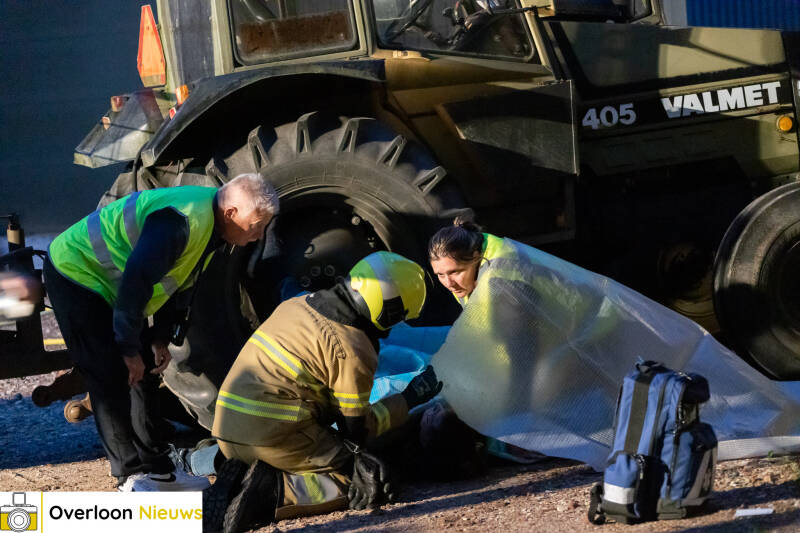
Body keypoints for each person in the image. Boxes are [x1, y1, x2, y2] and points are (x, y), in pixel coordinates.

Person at [43, 173, 279, 492]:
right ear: (232, 213)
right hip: (77, 272)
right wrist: (127, 350)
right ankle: (129, 476)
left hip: (116, 286)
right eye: (257, 225)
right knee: (107, 373)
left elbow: (178, 282)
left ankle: (157, 470)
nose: (258, 235)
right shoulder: (180, 222)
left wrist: (159, 338)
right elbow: (136, 281)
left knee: (145, 374)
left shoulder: (212, 228)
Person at [205, 251, 443, 532]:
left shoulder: (297, 303)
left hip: (227, 430)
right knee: (364, 479)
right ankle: (271, 493)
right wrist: (410, 397)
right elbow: (359, 432)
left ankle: (184, 505)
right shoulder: (352, 348)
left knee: (337, 453)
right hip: (270, 439)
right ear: (389, 311)